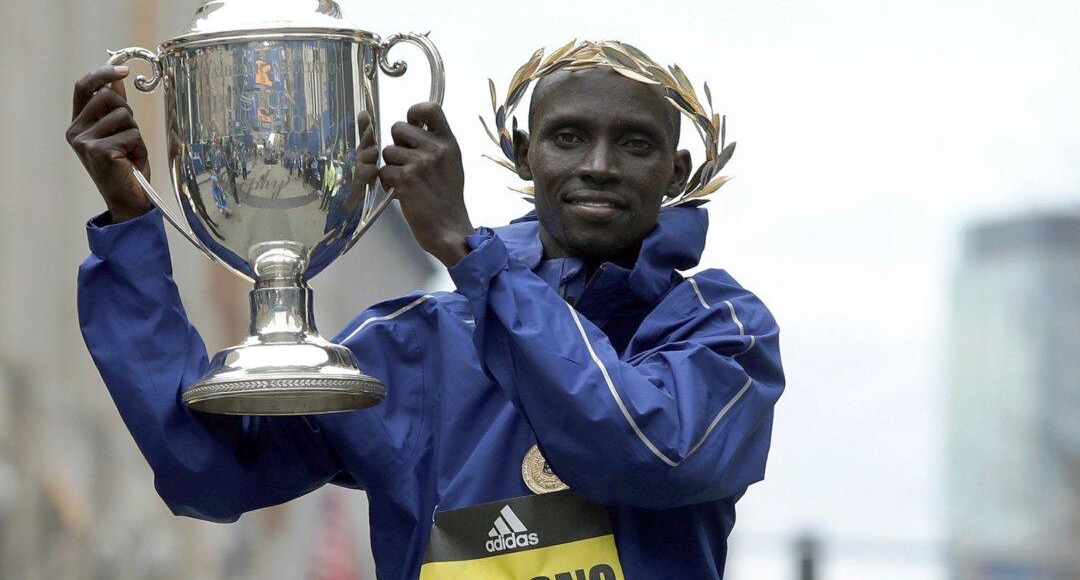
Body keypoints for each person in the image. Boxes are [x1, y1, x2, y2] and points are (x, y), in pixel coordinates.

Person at [67, 45, 783, 580]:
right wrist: (132, 225)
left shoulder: (721, 332)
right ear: (523, 155)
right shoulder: (414, 344)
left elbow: (642, 453)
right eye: (568, 138)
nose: (598, 163)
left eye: (635, 144)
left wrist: (472, 257)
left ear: (678, 174)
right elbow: (207, 473)